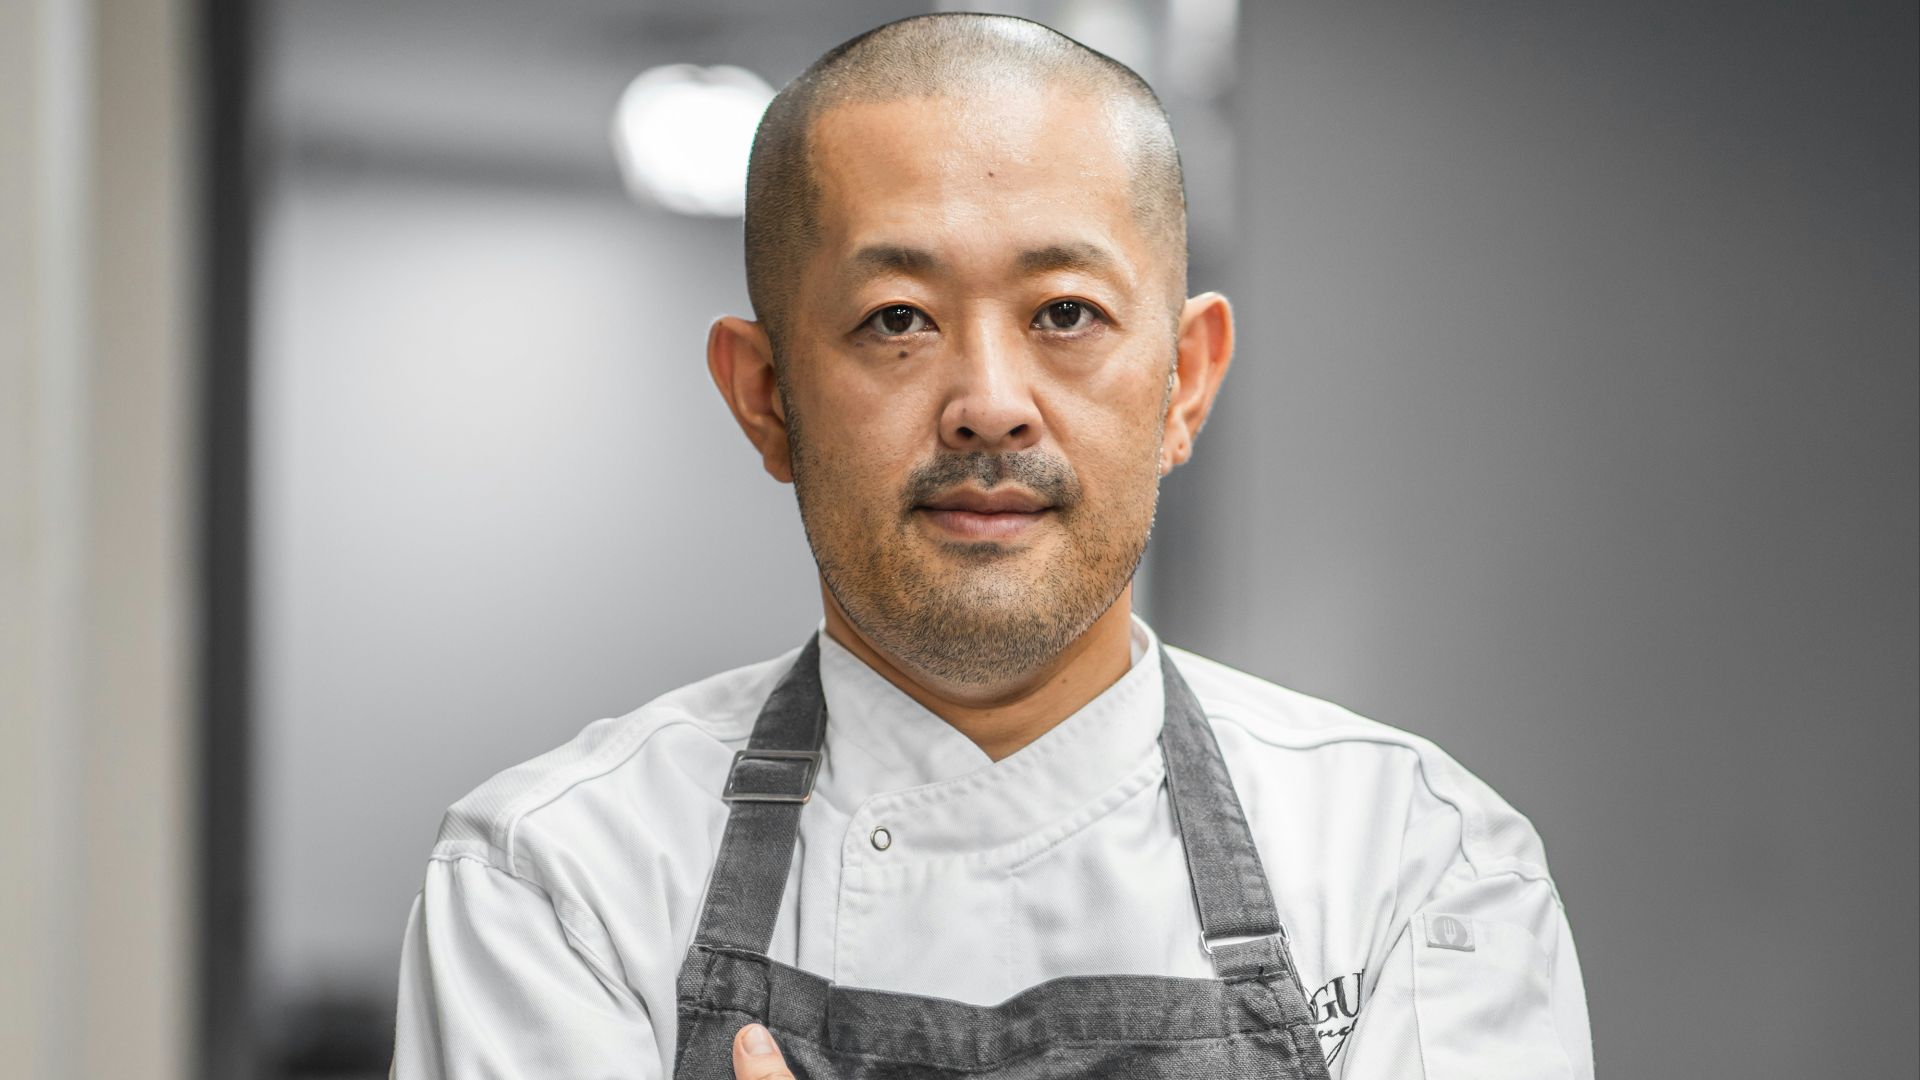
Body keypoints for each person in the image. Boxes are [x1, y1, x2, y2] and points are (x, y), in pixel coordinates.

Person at [391, 13, 1593, 1079]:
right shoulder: (557, 882)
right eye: (897, 320)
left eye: (1065, 312)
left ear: (1184, 382)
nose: (989, 402)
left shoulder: (1414, 864)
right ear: (766, 398)